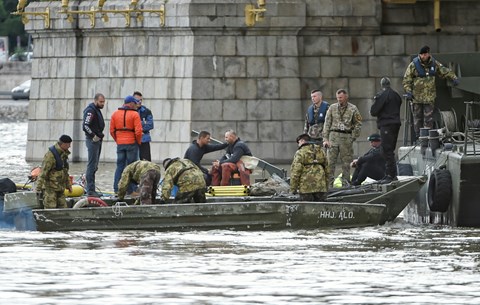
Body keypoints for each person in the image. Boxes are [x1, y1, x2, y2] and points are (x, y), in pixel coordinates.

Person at [403, 45, 459, 139]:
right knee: (417, 118)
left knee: (428, 119)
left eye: (426, 54)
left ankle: (428, 137)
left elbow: (444, 70)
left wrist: (453, 77)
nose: (424, 56)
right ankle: (419, 137)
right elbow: (406, 80)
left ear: (428, 54)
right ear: (419, 55)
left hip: (429, 97)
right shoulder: (413, 65)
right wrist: (408, 91)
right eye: (422, 54)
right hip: (416, 98)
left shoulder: (434, 63)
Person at [322, 89, 363, 187]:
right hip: (333, 136)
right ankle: (329, 185)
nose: (339, 99)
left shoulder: (353, 108)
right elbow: (327, 123)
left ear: (346, 97)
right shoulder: (332, 108)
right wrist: (325, 139)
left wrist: (353, 137)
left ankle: (346, 184)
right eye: (337, 98)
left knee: (346, 163)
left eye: (340, 97)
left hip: (346, 136)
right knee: (330, 162)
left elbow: (358, 123)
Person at [370, 77, 402, 183]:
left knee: (386, 150)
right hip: (396, 124)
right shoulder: (396, 95)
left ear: (382, 84)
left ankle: (390, 175)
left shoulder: (382, 95)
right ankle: (392, 174)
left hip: (386, 125)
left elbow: (374, 111)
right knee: (390, 150)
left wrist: (376, 101)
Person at [110, 95, 143, 194]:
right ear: (131, 103)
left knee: (120, 166)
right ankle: (131, 189)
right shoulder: (135, 114)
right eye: (135, 103)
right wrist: (138, 141)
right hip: (131, 143)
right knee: (131, 167)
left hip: (120, 144)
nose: (136, 105)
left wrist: (118, 140)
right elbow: (138, 131)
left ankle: (116, 188)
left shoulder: (115, 114)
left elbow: (112, 130)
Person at [35, 135, 73, 209]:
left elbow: (65, 171)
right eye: (69, 144)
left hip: (60, 188)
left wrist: (68, 185)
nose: (69, 146)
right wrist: (38, 188)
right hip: (50, 189)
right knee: (50, 209)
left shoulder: (64, 154)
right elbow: (43, 172)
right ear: (64, 144)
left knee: (64, 209)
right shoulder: (50, 155)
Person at [290, 133, 329, 201]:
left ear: (302, 141)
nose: (298, 145)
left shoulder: (300, 152)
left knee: (306, 209)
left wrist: (293, 189)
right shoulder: (321, 151)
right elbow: (327, 170)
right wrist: (326, 186)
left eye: (298, 142)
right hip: (320, 186)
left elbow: (295, 172)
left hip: (306, 187)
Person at [82, 93, 106, 197]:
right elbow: (85, 125)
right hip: (93, 140)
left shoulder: (96, 110)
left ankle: (92, 188)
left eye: (103, 102)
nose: (102, 104)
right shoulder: (90, 110)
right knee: (91, 165)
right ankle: (90, 190)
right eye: (101, 102)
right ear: (95, 100)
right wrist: (93, 135)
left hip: (98, 139)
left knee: (95, 165)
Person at [134, 91, 154, 161]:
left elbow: (150, 125)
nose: (139, 102)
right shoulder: (129, 111)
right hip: (133, 140)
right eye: (137, 100)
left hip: (144, 139)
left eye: (141, 100)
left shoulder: (146, 111)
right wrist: (142, 124)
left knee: (146, 161)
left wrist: (138, 127)